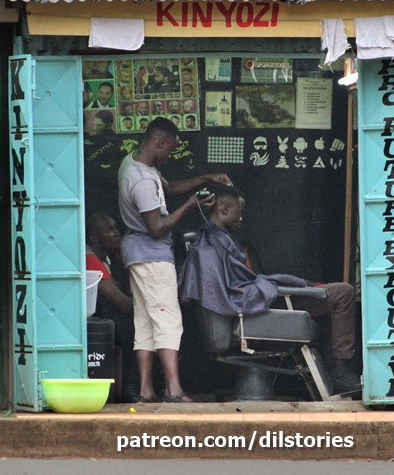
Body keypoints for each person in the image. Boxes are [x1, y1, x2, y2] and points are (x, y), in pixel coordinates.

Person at [177, 186, 362, 394]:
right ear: (224, 209)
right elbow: (233, 293)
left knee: (327, 291)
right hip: (259, 304)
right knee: (344, 292)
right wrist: (270, 287)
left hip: (258, 300)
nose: (241, 218)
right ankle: (339, 367)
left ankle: (335, 362)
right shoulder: (210, 246)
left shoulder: (215, 241)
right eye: (240, 212)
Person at [118, 116, 233, 403]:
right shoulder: (142, 181)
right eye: (169, 149)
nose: (170, 155)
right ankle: (174, 390)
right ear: (158, 142)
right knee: (168, 322)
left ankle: (145, 391)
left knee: (145, 323)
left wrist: (206, 178)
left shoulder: (133, 163)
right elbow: (157, 227)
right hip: (152, 256)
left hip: (136, 255)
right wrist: (191, 206)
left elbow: (167, 189)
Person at [86, 212, 139, 403]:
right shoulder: (89, 257)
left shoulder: (105, 259)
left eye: (116, 228)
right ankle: (128, 387)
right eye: (109, 230)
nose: (117, 233)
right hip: (97, 319)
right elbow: (123, 303)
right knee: (134, 325)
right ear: (94, 238)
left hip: (106, 317)